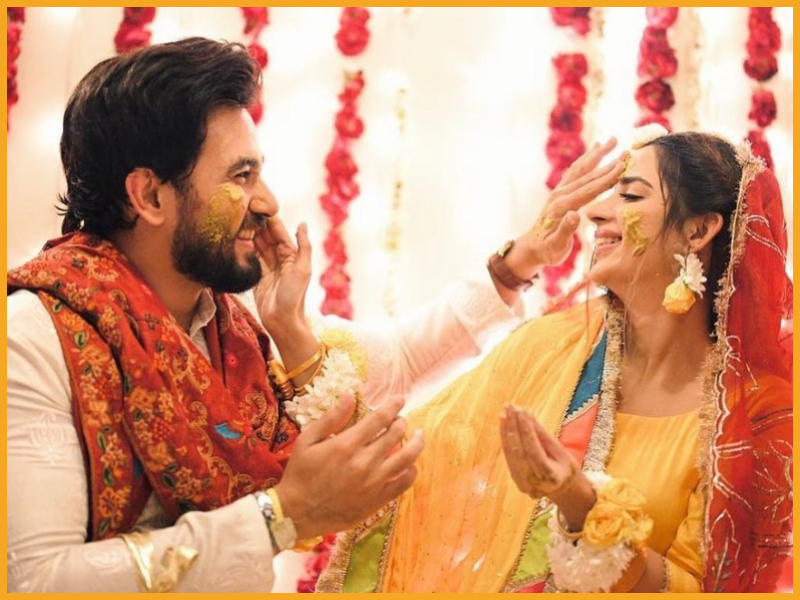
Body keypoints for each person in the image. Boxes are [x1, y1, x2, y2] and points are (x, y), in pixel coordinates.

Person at [5, 37, 572, 592]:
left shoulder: (234, 334)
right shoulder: (35, 337)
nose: (268, 202)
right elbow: (34, 580)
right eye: (240, 176)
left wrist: (515, 264)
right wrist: (280, 517)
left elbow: (397, 362)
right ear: (150, 197)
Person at [317, 130, 793, 593]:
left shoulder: (755, 413)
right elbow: (420, 452)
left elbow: (706, 587)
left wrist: (580, 504)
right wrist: (299, 351)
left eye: (630, 196)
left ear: (698, 230)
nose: (595, 212)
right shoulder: (554, 346)